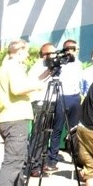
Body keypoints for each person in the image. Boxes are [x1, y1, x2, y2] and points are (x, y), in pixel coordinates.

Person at [0, 39, 49, 186]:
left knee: (18, 159)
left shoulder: (7, 66)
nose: (27, 56)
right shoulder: (12, 68)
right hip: (14, 119)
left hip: (11, 118)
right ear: (20, 52)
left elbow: (21, 85)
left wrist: (45, 74)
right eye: (26, 53)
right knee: (13, 162)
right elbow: (17, 89)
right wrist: (38, 85)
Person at [45, 39, 83, 172]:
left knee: (74, 130)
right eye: (75, 49)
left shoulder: (78, 63)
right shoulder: (61, 63)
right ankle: (52, 159)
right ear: (68, 49)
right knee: (58, 128)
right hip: (62, 96)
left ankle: (77, 157)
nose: (77, 51)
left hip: (75, 97)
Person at [27, 42, 56, 177]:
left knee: (46, 135)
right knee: (38, 135)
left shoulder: (50, 65)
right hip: (40, 102)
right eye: (52, 54)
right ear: (45, 54)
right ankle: (33, 164)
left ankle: (42, 161)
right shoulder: (38, 66)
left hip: (51, 101)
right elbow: (34, 82)